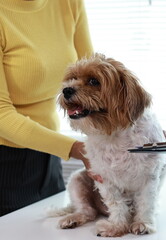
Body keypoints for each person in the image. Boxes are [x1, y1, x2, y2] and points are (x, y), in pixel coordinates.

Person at [0, 0, 95, 216]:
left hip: (48, 153)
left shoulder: (68, 3)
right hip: (5, 162)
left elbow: (95, 83)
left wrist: (140, 130)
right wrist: (77, 149)